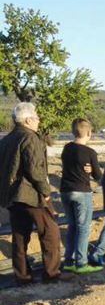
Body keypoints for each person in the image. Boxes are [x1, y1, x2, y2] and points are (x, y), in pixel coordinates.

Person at [0, 103, 66, 284]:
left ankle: (22, 277)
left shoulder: (6, 140)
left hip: (13, 196)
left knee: (20, 238)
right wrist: (45, 193)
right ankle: (51, 275)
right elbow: (35, 170)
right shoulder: (30, 138)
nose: (38, 120)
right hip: (31, 194)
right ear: (28, 120)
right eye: (36, 117)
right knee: (51, 233)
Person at [60, 118, 103, 274]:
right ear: (89, 133)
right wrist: (92, 170)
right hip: (81, 192)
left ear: (73, 132)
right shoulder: (90, 153)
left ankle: (69, 261)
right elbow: (98, 176)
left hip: (65, 191)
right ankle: (81, 263)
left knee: (72, 226)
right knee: (83, 228)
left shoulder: (66, 148)